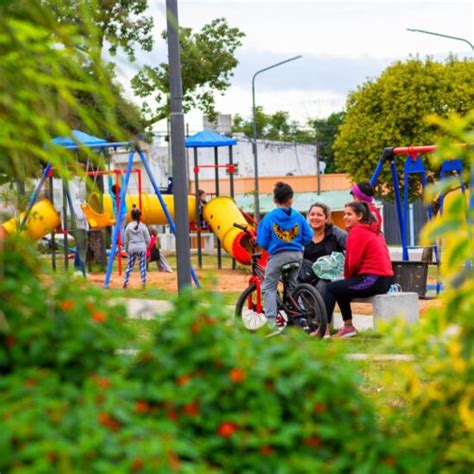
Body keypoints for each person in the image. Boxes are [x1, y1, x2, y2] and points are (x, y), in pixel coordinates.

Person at [325, 201, 393, 338]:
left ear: (360, 216)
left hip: (372, 279)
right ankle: (348, 327)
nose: (345, 217)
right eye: (344, 214)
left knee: (331, 288)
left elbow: (353, 263)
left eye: (349, 214)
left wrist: (348, 278)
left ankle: (324, 330)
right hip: (384, 280)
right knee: (339, 287)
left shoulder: (357, 232)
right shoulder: (374, 230)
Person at [257, 182, 312, 328]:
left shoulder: (269, 218)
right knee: (292, 285)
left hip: (278, 257)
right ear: (290, 199)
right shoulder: (298, 216)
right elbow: (308, 236)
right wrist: (298, 243)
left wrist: (272, 247)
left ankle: (271, 323)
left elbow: (262, 241)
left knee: (269, 287)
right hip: (297, 256)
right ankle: (300, 319)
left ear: (274, 199)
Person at [301, 202, 347, 337]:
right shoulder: (304, 235)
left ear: (326, 218)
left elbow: (352, 245)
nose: (315, 217)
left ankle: (320, 327)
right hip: (308, 274)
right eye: (312, 214)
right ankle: (300, 324)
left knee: (323, 286)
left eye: (319, 215)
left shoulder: (334, 232)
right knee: (294, 283)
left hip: (329, 275)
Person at [123, 207, 150, 289]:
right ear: (140, 216)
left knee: (129, 266)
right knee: (142, 266)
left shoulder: (128, 226)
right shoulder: (143, 226)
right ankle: (144, 282)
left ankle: (125, 281)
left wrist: (127, 249)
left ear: (131, 216)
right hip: (141, 247)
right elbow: (148, 239)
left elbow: (126, 240)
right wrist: (145, 247)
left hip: (132, 247)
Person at [72, 191, 89, 277]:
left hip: (83, 228)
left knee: (81, 248)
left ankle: (77, 268)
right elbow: (80, 216)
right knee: (82, 249)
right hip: (80, 228)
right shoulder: (77, 204)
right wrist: (85, 210)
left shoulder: (81, 203)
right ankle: (80, 269)